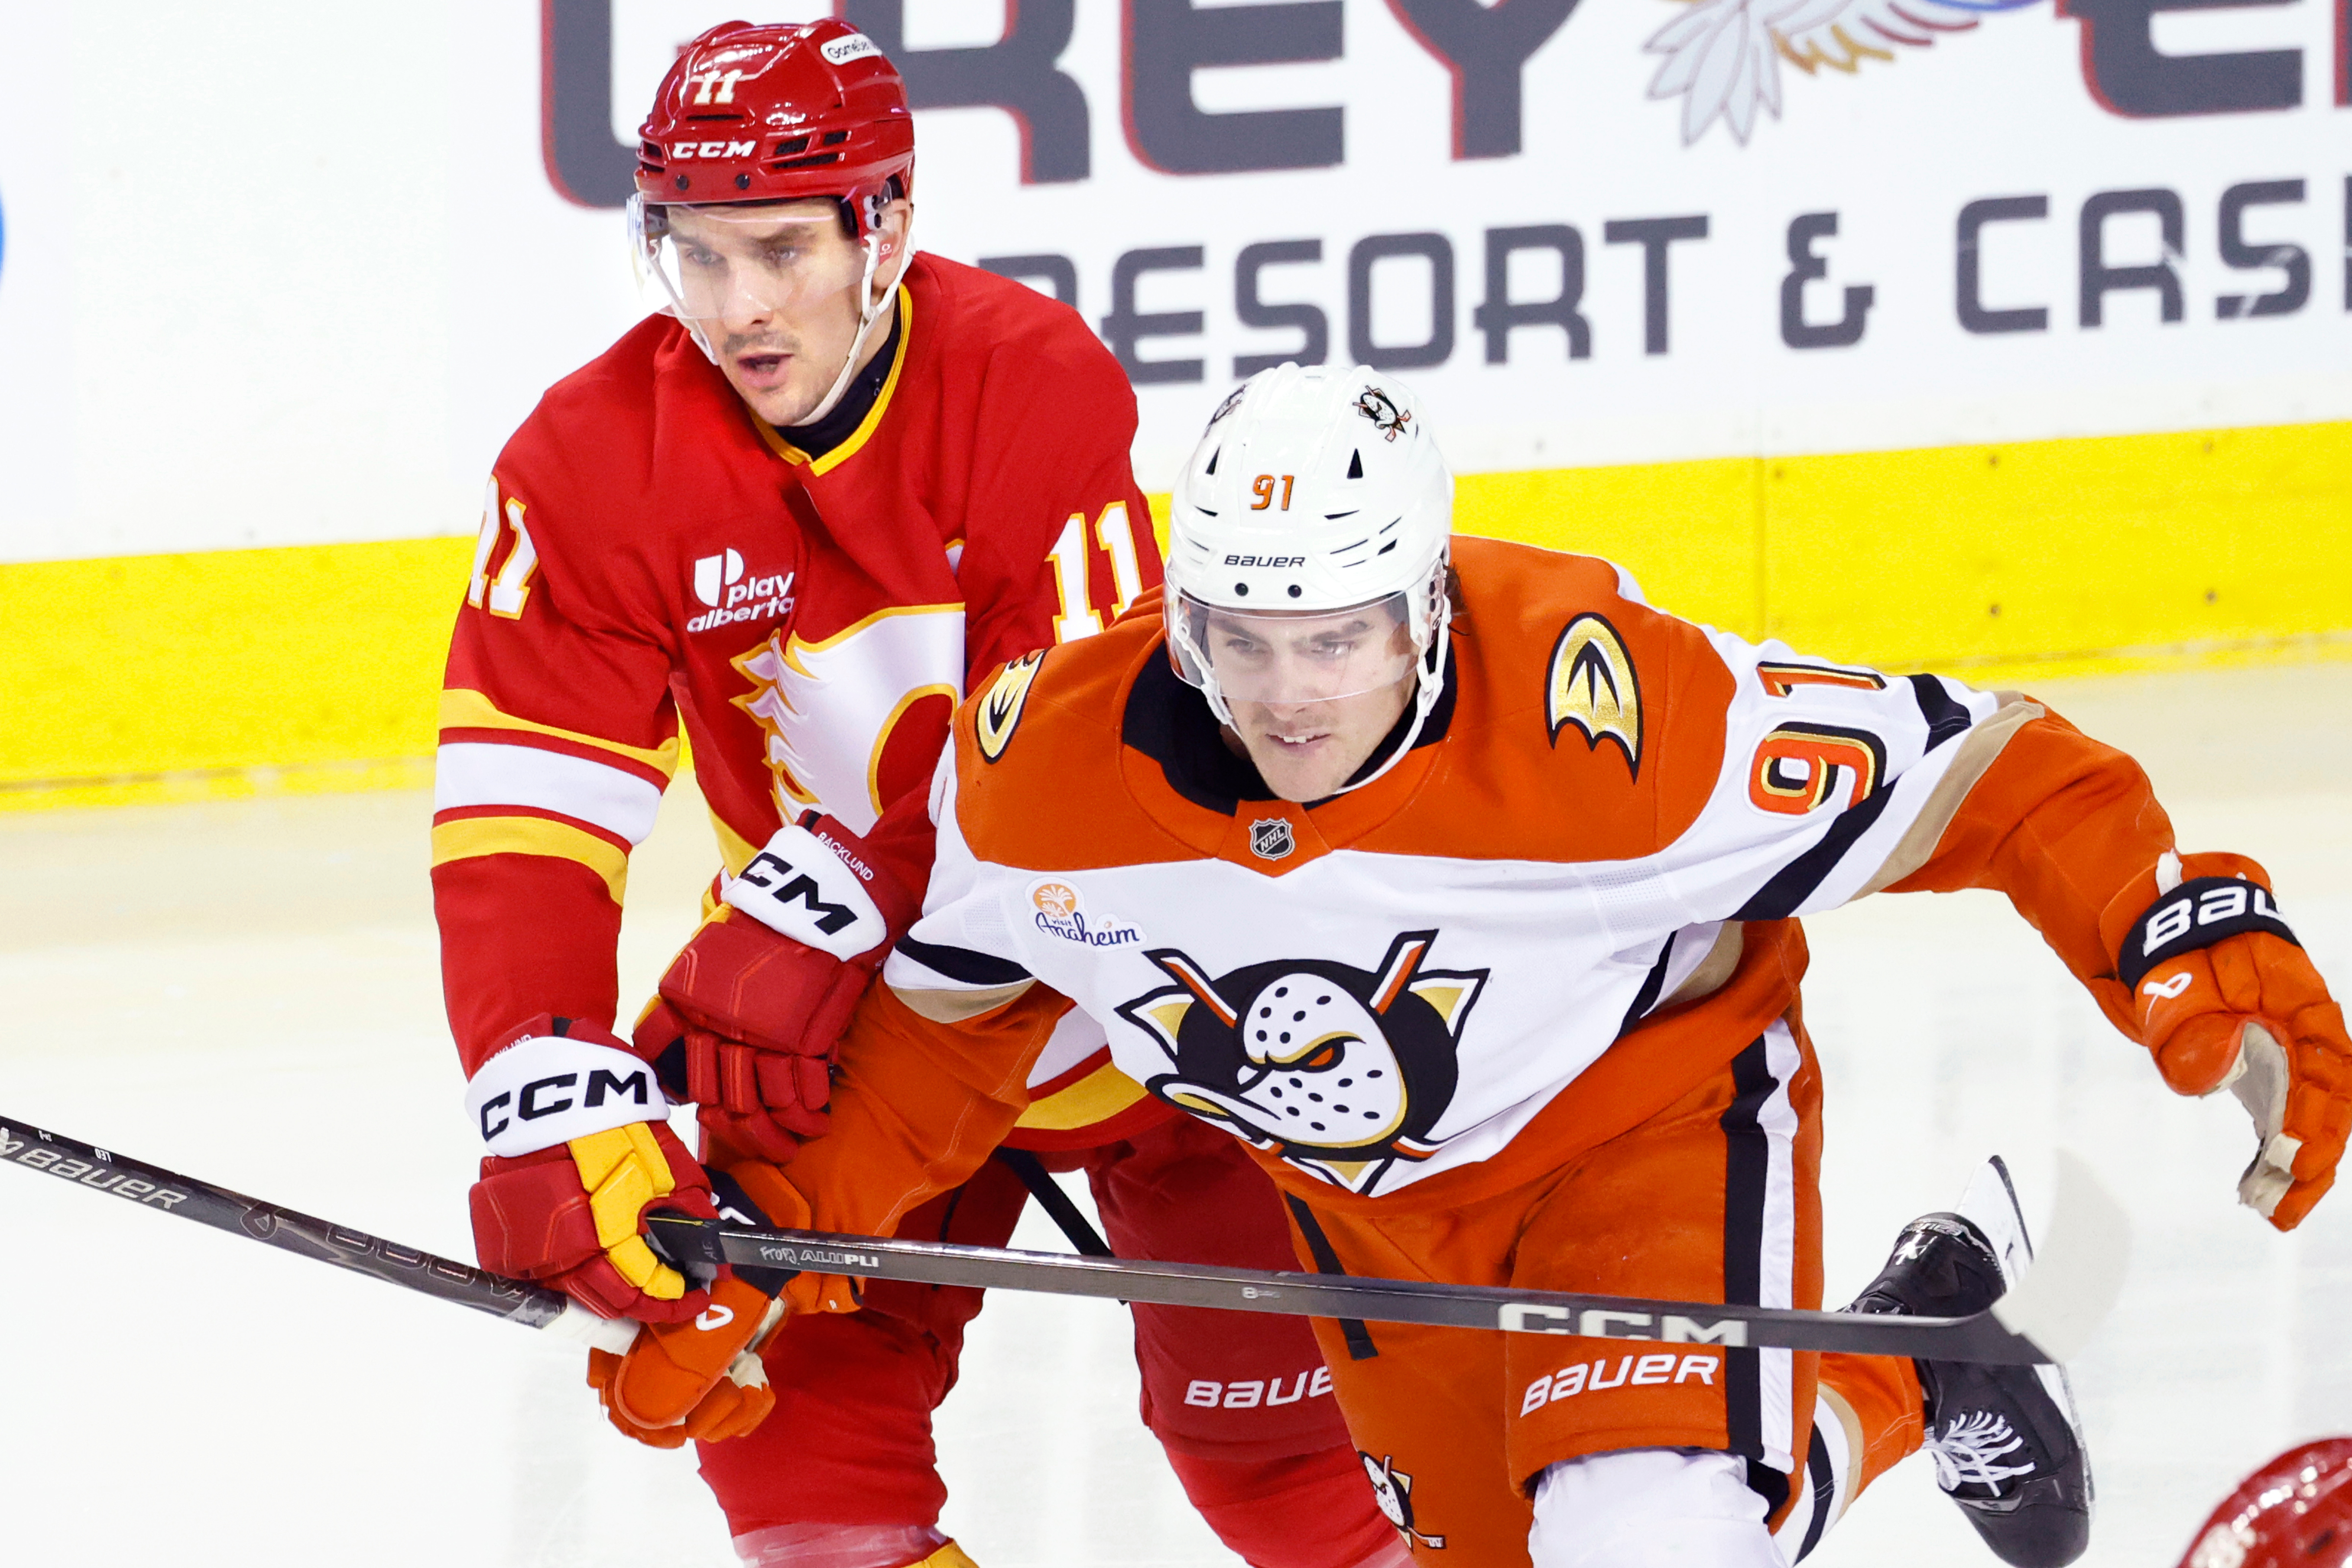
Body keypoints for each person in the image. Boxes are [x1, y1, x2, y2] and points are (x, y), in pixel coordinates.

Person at [607, 360, 2352, 1567]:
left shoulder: (1603, 714)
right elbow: (954, 1027)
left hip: (1641, 1129)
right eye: (1243, 638)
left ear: (1427, 604)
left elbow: (1984, 772)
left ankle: (1842, 1388)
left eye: (1343, 635)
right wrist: (765, 1242)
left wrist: (2183, 929)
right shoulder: (1049, 770)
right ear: (1179, 610)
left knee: (1647, 1538)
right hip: (1371, 1211)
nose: (1292, 693)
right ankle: (1912, 1357)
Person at [433, 24, 1395, 1568]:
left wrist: (855, 892)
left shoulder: (1027, 382)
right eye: (691, 251)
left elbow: (1076, 766)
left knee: (1284, 1473)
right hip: (833, 1054)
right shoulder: (588, 461)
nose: (735, 308)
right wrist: (541, 1075)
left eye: (779, 250)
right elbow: (521, 804)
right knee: (811, 1496)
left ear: (882, 226)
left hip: (1138, 1004)